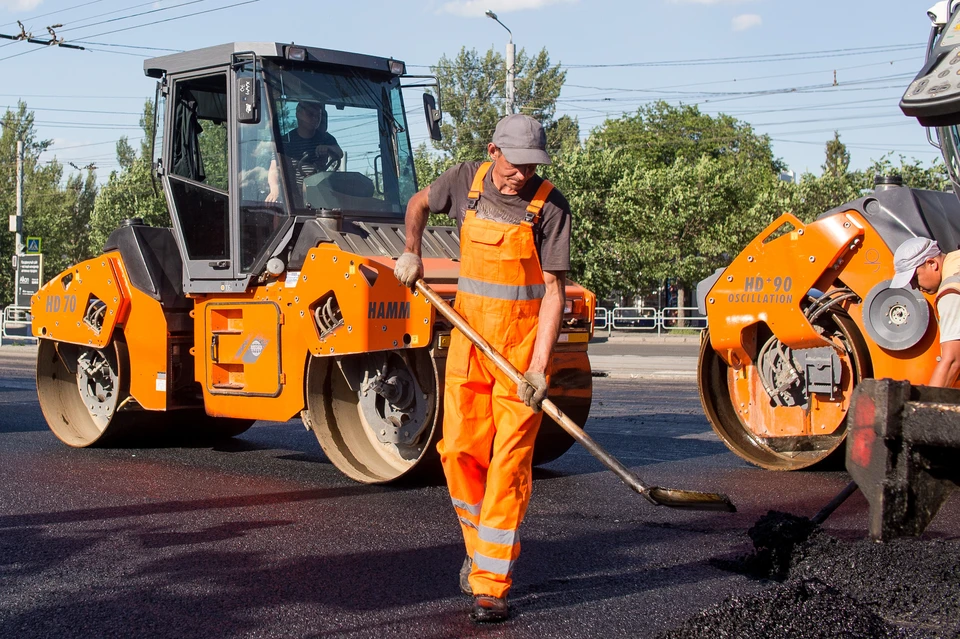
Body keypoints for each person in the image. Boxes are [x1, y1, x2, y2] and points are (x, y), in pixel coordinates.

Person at [393, 114, 571, 623]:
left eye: (532, 167)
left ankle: (491, 585)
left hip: (519, 355)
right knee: (460, 452)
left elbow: (554, 293)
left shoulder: (550, 206)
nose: (523, 176)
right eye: (516, 166)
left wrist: (538, 369)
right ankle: (480, 552)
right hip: (470, 345)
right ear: (493, 151)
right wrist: (412, 254)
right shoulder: (463, 180)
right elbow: (417, 205)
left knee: (510, 464)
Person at [890, 236, 960, 387]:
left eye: (915, 278)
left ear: (932, 263)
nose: (915, 287)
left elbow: (953, 361)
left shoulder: (951, 292)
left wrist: (927, 407)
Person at [266, 100, 343, 205]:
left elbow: (339, 153)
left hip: (321, 190)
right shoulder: (286, 141)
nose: (315, 119)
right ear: (298, 114)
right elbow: (274, 169)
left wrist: (328, 148)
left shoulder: (325, 138)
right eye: (311, 114)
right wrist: (274, 189)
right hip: (293, 194)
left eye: (318, 116)